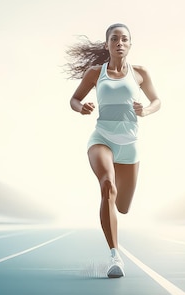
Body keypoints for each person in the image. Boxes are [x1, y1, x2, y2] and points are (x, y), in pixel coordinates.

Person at [67, 23, 161, 278]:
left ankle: (116, 217)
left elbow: (156, 101)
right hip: (102, 139)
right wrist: (81, 107)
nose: (120, 42)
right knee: (108, 186)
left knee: (123, 206)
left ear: (130, 45)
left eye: (125, 39)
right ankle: (114, 257)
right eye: (114, 39)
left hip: (130, 146)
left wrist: (146, 111)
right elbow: (74, 99)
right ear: (107, 44)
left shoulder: (140, 73)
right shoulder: (95, 73)